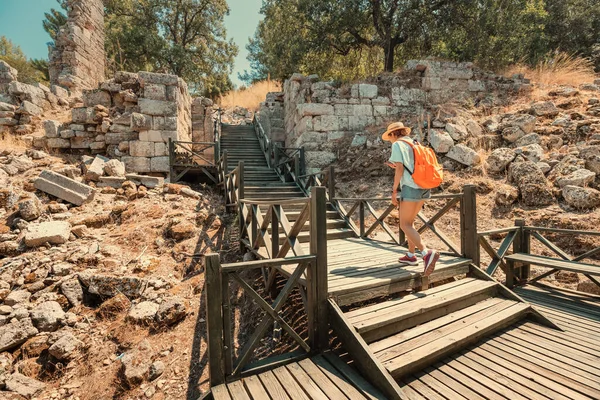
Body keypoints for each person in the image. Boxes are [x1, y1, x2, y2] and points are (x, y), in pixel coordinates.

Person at [383, 122, 439, 276]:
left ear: (394, 134)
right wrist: (397, 167)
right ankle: (410, 255)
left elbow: (400, 168)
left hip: (410, 187)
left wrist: (394, 190)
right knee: (410, 222)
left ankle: (426, 253)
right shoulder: (415, 142)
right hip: (424, 185)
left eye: (390, 136)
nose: (390, 140)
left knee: (404, 224)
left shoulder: (397, 145)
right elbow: (410, 165)